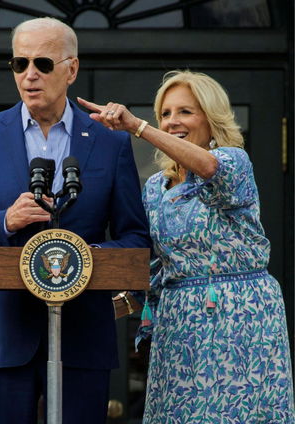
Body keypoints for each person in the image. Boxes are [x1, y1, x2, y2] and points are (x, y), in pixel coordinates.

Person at [0, 17, 150, 423]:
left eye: (42, 64)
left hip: (83, 337)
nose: (29, 75)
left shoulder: (110, 144)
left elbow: (135, 238)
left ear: (71, 69)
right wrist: (6, 222)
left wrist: (83, 257)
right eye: (19, 64)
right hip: (1, 335)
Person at [78, 70, 295, 422]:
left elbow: (209, 166)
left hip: (240, 317)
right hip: (178, 320)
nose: (172, 121)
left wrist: (137, 127)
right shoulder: (155, 188)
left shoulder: (233, 162)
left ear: (211, 118)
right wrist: (91, 305)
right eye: (165, 114)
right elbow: (155, 268)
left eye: (185, 112)